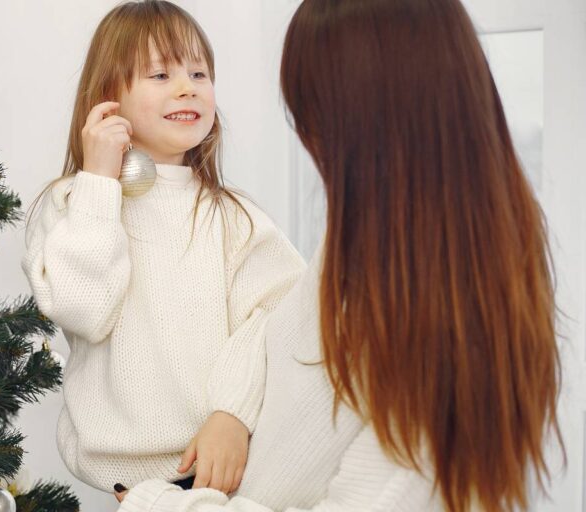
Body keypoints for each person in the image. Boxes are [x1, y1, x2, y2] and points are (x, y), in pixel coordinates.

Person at [115, 0, 561, 510]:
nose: (311, 144)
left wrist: (155, 503)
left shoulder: (446, 323)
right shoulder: (364, 244)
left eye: (314, 116)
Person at [21, 0, 305, 496]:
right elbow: (83, 312)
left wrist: (232, 414)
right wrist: (99, 181)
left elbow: (281, 318)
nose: (187, 87)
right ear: (108, 98)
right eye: (160, 74)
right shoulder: (74, 202)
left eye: (199, 72)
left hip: (230, 474)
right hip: (126, 485)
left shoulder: (233, 216)